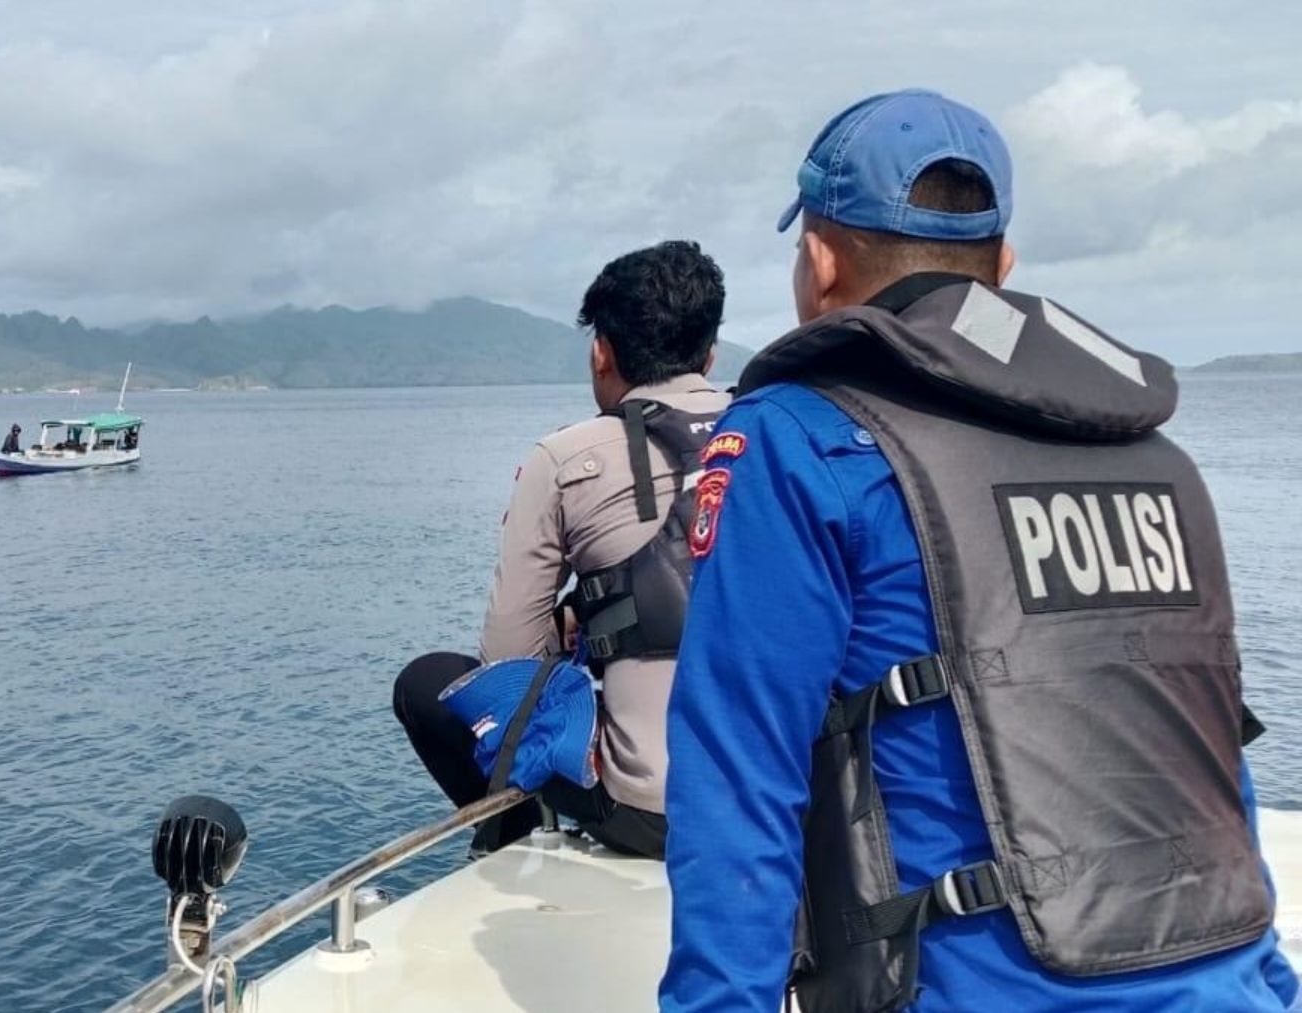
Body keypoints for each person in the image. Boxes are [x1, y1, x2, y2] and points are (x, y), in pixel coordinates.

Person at [660, 90, 1297, 1012]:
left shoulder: (798, 441)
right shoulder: (1159, 461)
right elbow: (1211, 755)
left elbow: (736, 777)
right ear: (1003, 265)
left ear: (820, 262)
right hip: (1234, 985)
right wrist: (1269, 978)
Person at [392, 240, 732, 860]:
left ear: (602, 353)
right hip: (788, 800)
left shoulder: (566, 458)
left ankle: (513, 844)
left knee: (427, 682)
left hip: (652, 814)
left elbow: (507, 665)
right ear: (710, 356)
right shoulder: (776, 433)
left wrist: (589, 628)